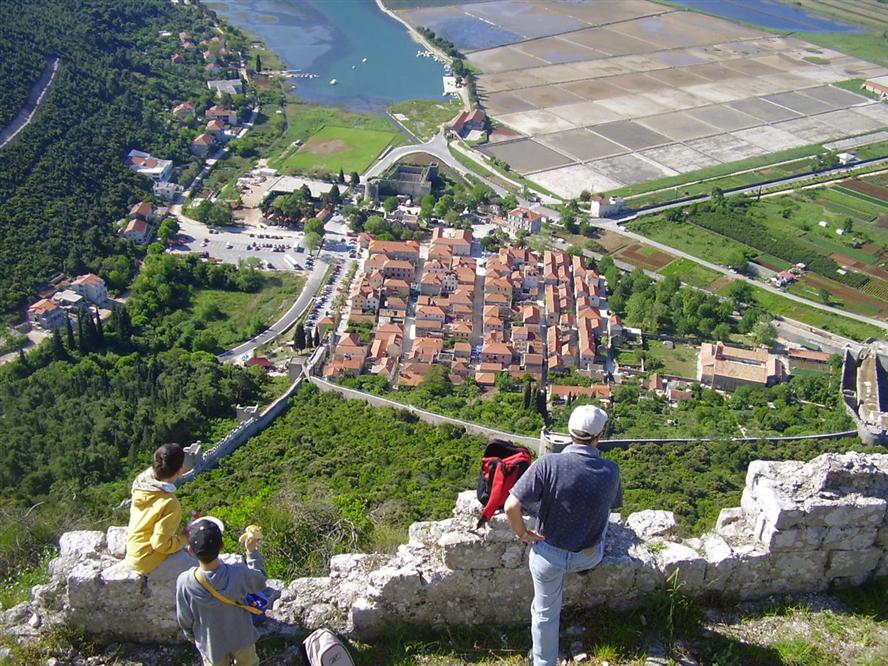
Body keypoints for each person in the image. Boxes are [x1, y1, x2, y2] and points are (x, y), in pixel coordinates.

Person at [504, 405, 622, 666]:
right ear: (598, 437)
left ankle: (543, 662)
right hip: (588, 556)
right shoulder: (611, 470)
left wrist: (523, 533)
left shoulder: (549, 463)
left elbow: (511, 506)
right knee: (602, 523)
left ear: (569, 433)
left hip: (548, 555)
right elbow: (611, 507)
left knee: (545, 614)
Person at [176, 518, 267, 666]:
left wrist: (194, 637)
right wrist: (251, 553)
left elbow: (184, 618)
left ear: (191, 551)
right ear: (222, 546)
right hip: (241, 636)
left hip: (211, 644)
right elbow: (260, 580)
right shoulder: (238, 572)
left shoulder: (184, 581)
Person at [125, 443, 194, 577]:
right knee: (196, 568)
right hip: (147, 560)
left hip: (134, 550)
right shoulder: (169, 503)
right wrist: (185, 538)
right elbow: (160, 544)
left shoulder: (140, 485)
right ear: (180, 471)